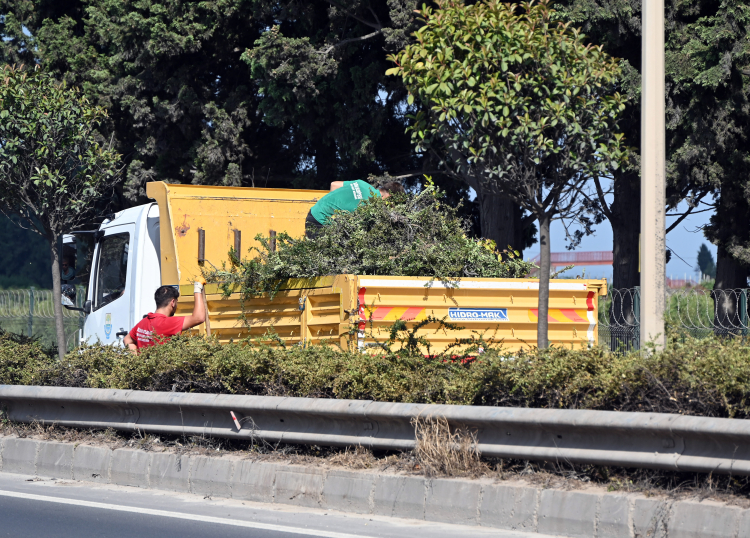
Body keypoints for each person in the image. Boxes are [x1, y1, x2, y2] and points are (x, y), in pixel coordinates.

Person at [305, 180, 405, 238]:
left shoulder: (362, 184)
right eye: (392, 204)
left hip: (313, 213)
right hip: (320, 224)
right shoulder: (372, 206)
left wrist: (333, 209)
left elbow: (334, 184)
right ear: (389, 197)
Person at [123, 282, 206, 352]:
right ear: (173, 302)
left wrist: (137, 360)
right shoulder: (167, 323)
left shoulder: (144, 322)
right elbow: (199, 318)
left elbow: (127, 340)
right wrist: (198, 288)